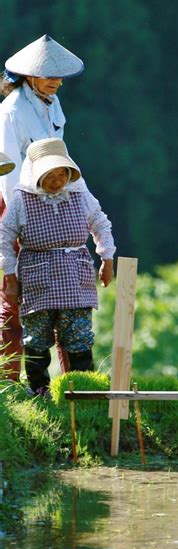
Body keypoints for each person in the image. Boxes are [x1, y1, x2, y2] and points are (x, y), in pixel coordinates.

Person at [0, 137, 115, 396]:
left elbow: (100, 224)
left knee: (79, 336)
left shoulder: (80, 195)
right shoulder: (22, 200)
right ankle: (39, 392)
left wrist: (106, 258)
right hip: (37, 279)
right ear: (37, 174)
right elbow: (4, 237)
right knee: (37, 339)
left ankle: (84, 393)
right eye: (49, 175)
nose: (57, 181)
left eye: (62, 173)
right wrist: (10, 277)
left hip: (76, 277)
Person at [0, 34, 84, 380]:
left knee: (61, 294)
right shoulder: (12, 111)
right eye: (49, 75)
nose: (57, 81)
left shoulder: (52, 104)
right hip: (15, 208)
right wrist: (24, 220)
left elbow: (57, 159)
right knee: (14, 297)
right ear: (29, 75)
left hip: (51, 203)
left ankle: (69, 384)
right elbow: (7, 172)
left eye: (58, 75)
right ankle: (7, 383)